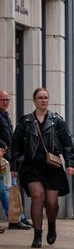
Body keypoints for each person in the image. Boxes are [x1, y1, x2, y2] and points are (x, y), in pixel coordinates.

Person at [11, 88, 74, 248]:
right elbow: (16, 145)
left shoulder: (57, 120)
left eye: (46, 97)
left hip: (52, 165)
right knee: (37, 196)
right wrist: (14, 166)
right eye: (40, 98)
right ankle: (37, 234)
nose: (43, 100)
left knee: (52, 202)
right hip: (31, 166)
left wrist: (70, 163)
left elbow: (67, 143)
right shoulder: (25, 121)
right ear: (34, 100)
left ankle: (51, 225)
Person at [0, 90, 31, 230]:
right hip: (2, 157)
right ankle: (16, 218)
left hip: (7, 158)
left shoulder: (4, 115)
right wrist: (3, 146)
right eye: (2, 100)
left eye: (7, 100)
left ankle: (19, 217)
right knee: (7, 189)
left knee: (11, 188)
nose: (5, 102)